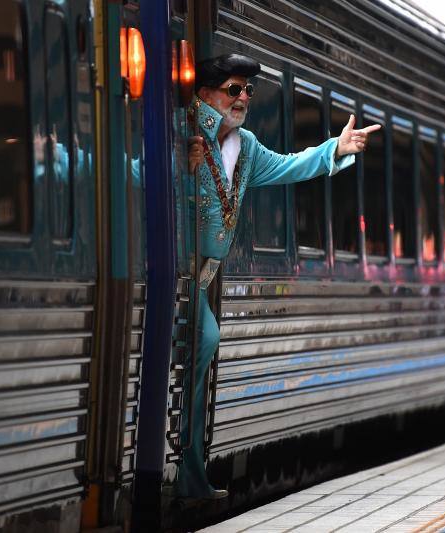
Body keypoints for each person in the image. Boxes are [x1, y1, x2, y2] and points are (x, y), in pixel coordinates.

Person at [176, 53, 380, 501]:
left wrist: (336, 150)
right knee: (205, 341)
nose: (244, 97)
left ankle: (188, 476)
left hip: (200, 280)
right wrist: (178, 167)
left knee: (205, 343)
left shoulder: (244, 148)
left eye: (249, 90)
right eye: (234, 89)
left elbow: (289, 166)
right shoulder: (182, 132)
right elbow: (133, 173)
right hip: (168, 278)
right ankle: (181, 472)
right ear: (206, 93)